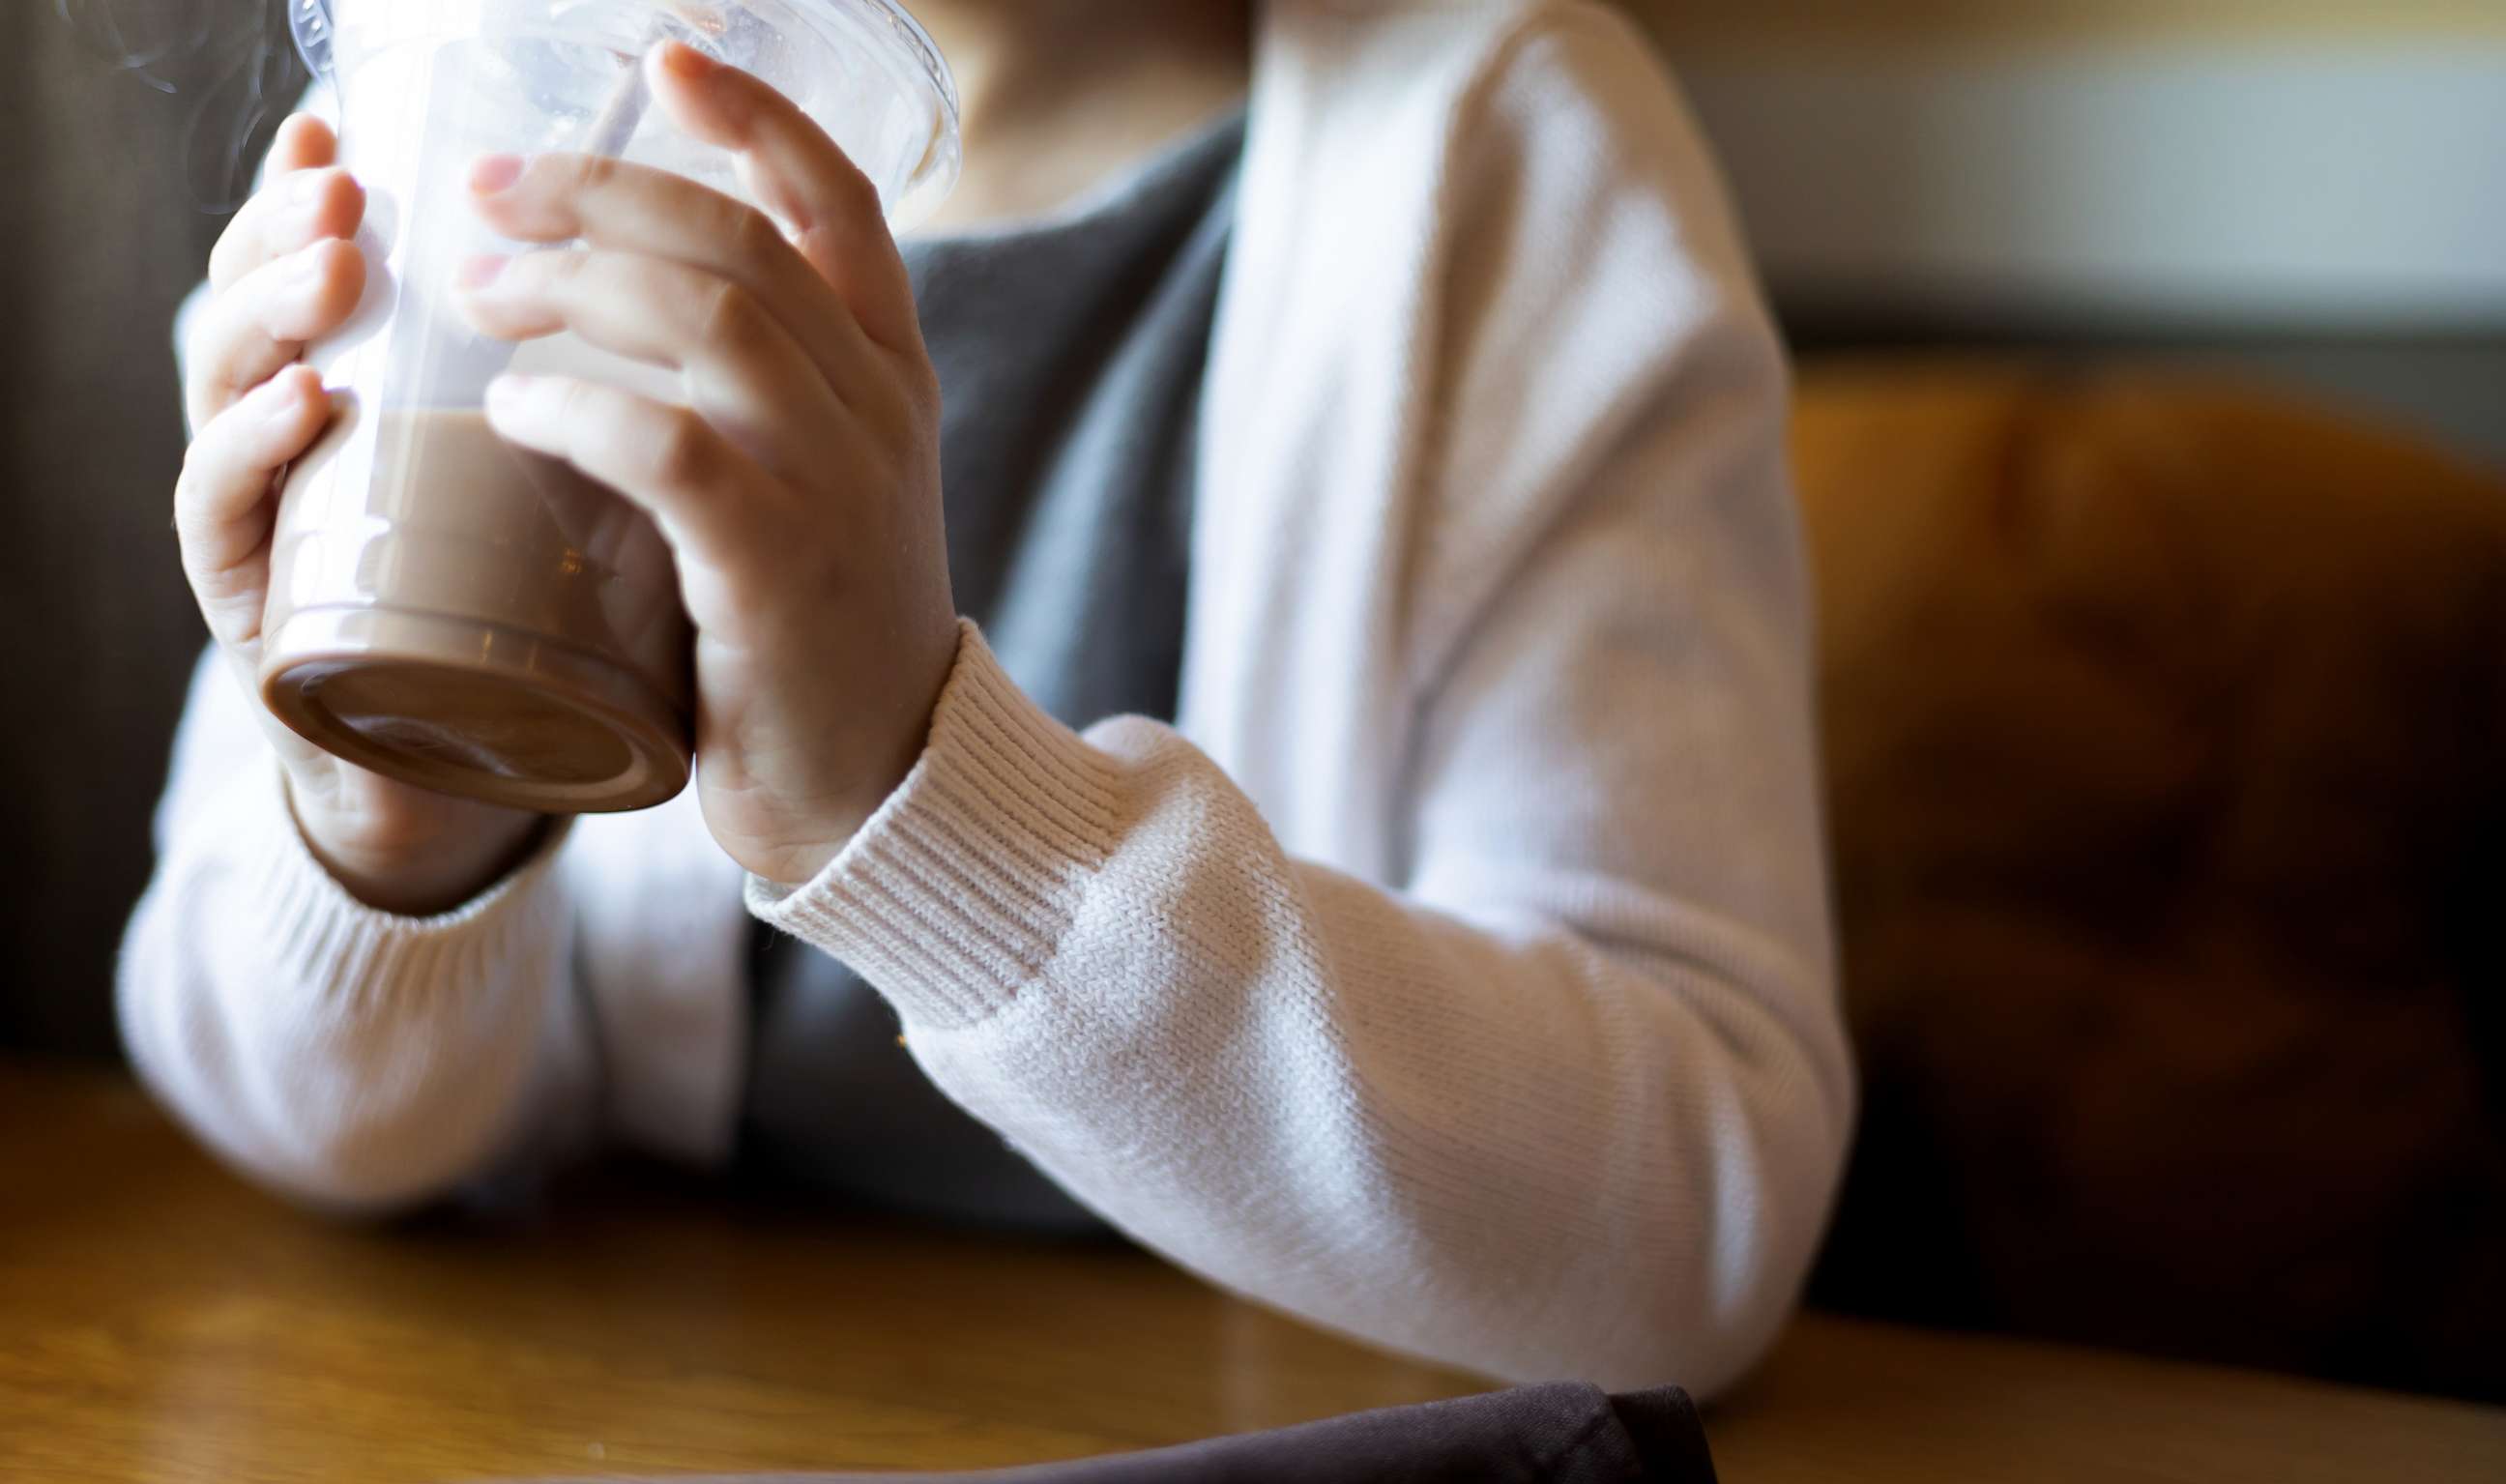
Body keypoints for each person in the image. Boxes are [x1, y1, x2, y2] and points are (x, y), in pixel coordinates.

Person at [123, 0, 1852, 1397]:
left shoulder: (1499, 161)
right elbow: (322, 1127)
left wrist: (923, 808)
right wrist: (396, 809)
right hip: (665, 1440)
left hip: (1291, 1482)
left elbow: (1692, 1224)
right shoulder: (488, 97)